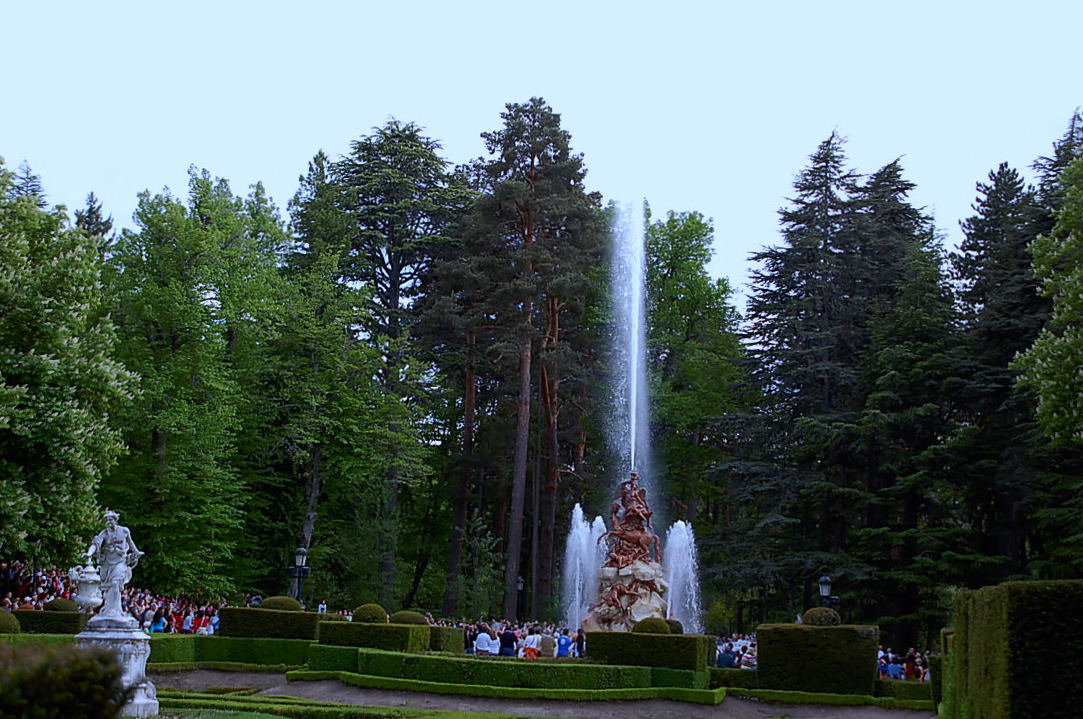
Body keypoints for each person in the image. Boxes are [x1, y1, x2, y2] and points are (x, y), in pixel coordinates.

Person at [83, 509, 143, 618]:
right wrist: (89, 553)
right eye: (107, 520)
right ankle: (110, 608)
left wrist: (136, 552)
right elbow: (95, 544)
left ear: (115, 520)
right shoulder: (104, 533)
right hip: (107, 562)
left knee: (116, 583)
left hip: (120, 561)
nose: (108, 521)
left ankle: (115, 610)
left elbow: (131, 543)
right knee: (109, 586)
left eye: (110, 519)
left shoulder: (124, 531)